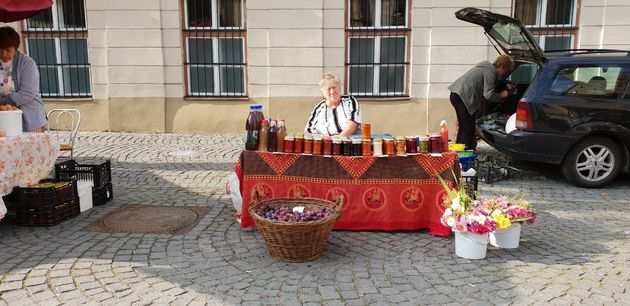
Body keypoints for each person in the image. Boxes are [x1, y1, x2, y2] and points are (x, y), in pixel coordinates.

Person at [448, 54, 514, 150]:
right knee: (468, 128)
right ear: (502, 67)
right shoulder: (491, 72)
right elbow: (488, 94)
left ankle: (459, 153)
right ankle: (463, 156)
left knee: (463, 126)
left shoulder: (484, 68)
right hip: (463, 97)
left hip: (455, 94)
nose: (505, 74)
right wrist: (501, 95)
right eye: (506, 71)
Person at [0, 26, 47, 132]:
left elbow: (27, 93)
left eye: (8, 50)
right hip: (4, 118)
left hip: (30, 120)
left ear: (15, 49)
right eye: (0, 49)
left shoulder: (27, 63)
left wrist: (1, 102)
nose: (3, 54)